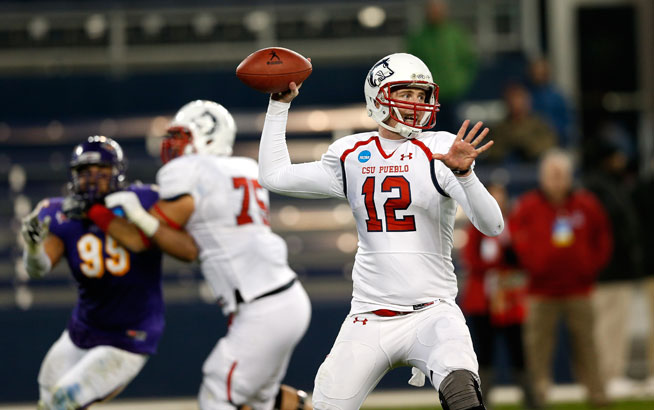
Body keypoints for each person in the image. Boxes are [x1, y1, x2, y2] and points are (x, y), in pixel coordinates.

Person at [258, 52, 504, 410]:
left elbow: (493, 225)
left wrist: (466, 176)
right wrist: (278, 107)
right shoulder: (350, 153)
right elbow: (274, 176)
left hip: (433, 311)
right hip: (370, 316)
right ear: (378, 96)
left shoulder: (440, 147)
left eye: (421, 96)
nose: (416, 104)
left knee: (464, 394)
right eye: (406, 93)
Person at [102, 100, 313, 410]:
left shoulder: (193, 170)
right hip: (283, 299)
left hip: (262, 306)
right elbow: (189, 244)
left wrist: (122, 212)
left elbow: (148, 234)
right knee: (262, 399)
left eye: (182, 137)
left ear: (208, 136)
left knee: (217, 391)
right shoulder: (245, 168)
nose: (173, 146)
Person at [20, 136, 166, 410]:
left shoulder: (140, 201)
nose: (92, 179)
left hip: (129, 335)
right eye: (85, 173)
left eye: (102, 172)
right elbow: (38, 268)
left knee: (65, 399)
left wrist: (96, 211)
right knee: (48, 396)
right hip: (84, 329)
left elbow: (139, 241)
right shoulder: (59, 214)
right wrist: (31, 247)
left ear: (117, 174)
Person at [509, 149, 612, 408]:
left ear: (569, 176)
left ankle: (597, 394)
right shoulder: (528, 206)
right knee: (538, 349)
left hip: (579, 290)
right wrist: (531, 263)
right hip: (540, 292)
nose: (556, 180)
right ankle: (538, 396)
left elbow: (603, 238)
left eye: (561, 175)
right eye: (551, 175)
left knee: (587, 347)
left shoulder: (586, 204)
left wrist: (590, 267)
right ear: (542, 177)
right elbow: (514, 236)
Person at [460, 183, 535, 409]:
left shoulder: (515, 226)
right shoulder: (475, 228)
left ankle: (532, 400)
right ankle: (481, 401)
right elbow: (471, 259)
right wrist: (497, 263)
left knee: (518, 353)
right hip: (483, 302)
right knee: (484, 354)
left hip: (510, 301)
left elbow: (525, 255)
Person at [583, 138, 642, 391]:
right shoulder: (600, 188)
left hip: (615, 269)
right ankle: (608, 377)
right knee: (608, 327)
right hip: (609, 271)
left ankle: (610, 375)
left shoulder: (609, 185)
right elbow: (604, 232)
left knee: (611, 326)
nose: (622, 161)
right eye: (617, 156)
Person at [406, 0, 478, 132]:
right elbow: (410, 65)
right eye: (432, 9)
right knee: (429, 134)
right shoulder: (418, 37)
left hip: (455, 95)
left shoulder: (456, 34)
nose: (435, 13)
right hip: (428, 96)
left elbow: (469, 61)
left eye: (438, 9)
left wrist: (461, 83)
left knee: (456, 133)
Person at [486, 83, 558, 165]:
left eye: (520, 98)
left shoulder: (539, 124)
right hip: (506, 172)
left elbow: (549, 147)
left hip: (534, 168)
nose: (516, 103)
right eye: (512, 98)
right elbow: (493, 153)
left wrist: (525, 143)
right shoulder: (500, 128)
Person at [526, 57, 576, 148]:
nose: (538, 75)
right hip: (531, 143)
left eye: (541, 72)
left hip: (555, 143)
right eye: (535, 72)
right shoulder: (527, 95)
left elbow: (567, 123)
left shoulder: (557, 97)